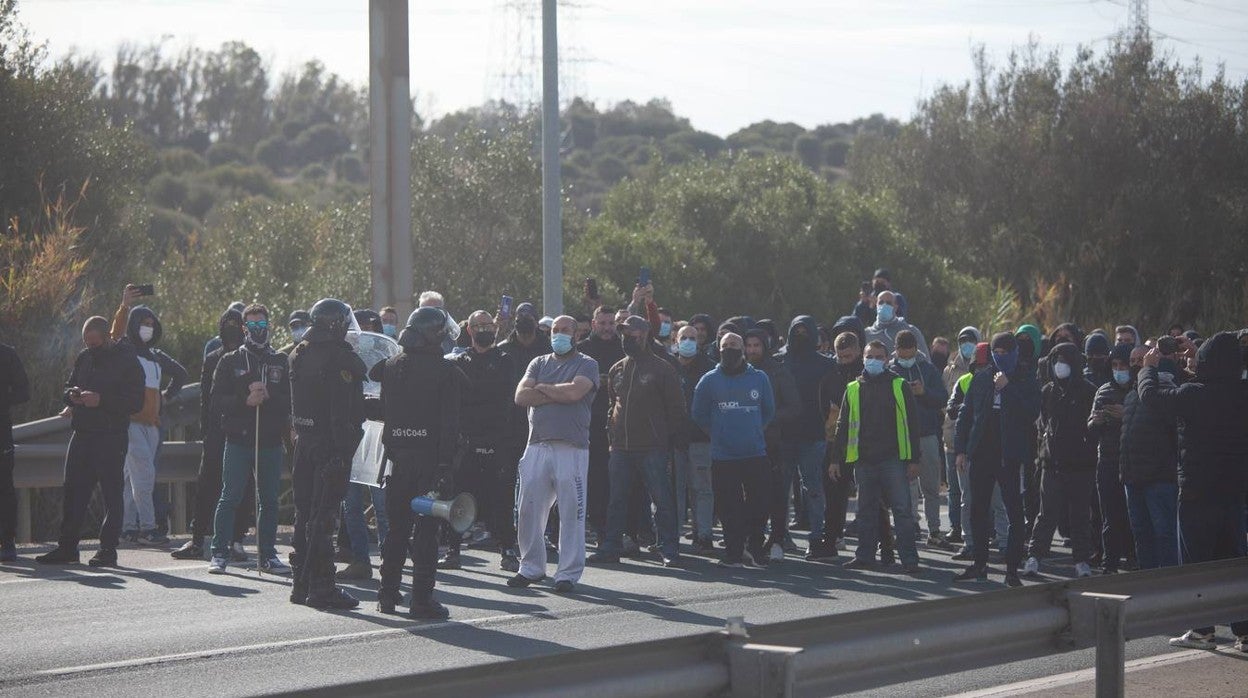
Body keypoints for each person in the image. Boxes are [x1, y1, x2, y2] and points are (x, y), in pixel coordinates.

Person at [1137, 332, 1248, 652]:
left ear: (1208, 364)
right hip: (1233, 492)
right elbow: (1215, 380)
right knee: (1232, 563)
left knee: (1197, 563)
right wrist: (1198, 356)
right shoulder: (1241, 393)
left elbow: (1152, 398)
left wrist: (1148, 367)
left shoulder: (1193, 395)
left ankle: (1202, 630)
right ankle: (1244, 631)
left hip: (1197, 492)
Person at [372, 307, 464, 619]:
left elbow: (383, 406)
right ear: (433, 334)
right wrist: (445, 466)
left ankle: (387, 593)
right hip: (430, 463)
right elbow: (450, 424)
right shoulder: (445, 371)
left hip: (398, 461)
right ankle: (421, 599)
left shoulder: (392, 365)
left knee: (397, 529)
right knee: (426, 530)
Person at [37, 317, 144, 566]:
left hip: (111, 436)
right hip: (83, 434)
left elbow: (136, 402)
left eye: (95, 342)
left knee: (111, 494)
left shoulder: (127, 360)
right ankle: (67, 548)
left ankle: (107, 550)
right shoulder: (84, 357)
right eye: (87, 342)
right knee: (73, 491)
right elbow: (68, 385)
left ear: (107, 337)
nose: (90, 346)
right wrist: (71, 396)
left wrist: (102, 400)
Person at [509, 315, 599, 593]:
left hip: (570, 447)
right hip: (537, 445)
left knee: (572, 511)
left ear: (575, 334)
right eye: (555, 331)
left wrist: (544, 390)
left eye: (565, 331)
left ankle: (567, 574)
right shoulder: (538, 363)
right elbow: (521, 397)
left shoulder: (587, 363)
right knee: (528, 508)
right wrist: (555, 393)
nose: (559, 335)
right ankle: (531, 567)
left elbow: (575, 392)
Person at [588, 316, 687, 567]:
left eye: (631, 333)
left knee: (662, 499)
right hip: (621, 447)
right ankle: (611, 546)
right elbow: (613, 403)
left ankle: (669, 548)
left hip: (652, 447)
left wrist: (666, 439)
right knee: (616, 499)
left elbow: (676, 409)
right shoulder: (617, 369)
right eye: (623, 333)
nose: (625, 338)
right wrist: (612, 429)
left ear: (643, 335)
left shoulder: (662, 368)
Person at [289, 299, 367, 610]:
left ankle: (301, 583)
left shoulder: (299, 352)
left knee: (304, 514)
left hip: (304, 444)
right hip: (329, 448)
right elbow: (340, 410)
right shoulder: (339, 358)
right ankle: (322, 587)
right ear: (335, 324)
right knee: (324, 518)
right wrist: (342, 450)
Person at [206, 304, 291, 576]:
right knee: (230, 495)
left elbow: (290, 400)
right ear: (244, 329)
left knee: (269, 500)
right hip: (238, 440)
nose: (258, 331)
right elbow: (216, 401)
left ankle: (267, 554)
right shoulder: (230, 360)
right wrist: (245, 400)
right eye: (252, 327)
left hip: (270, 440)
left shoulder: (279, 360)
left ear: (269, 326)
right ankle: (220, 552)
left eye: (262, 326)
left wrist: (269, 397)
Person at [953, 332, 1041, 587]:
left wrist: (1008, 388)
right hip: (982, 452)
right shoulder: (981, 378)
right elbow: (966, 415)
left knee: (1014, 512)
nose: (1000, 357)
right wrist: (961, 449)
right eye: (996, 352)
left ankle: (1012, 568)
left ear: (1014, 353)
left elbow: (1031, 412)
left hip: (1010, 454)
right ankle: (980, 564)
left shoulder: (1025, 379)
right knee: (977, 510)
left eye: (1005, 352)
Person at [829, 340, 923, 574]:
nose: (874, 360)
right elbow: (842, 425)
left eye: (879, 356)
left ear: (887, 359)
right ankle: (865, 556)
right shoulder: (853, 388)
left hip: (893, 459)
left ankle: (909, 560)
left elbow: (912, 423)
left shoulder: (899, 385)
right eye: (870, 356)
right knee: (865, 511)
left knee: (902, 510)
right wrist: (835, 458)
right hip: (864, 460)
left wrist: (914, 459)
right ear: (863, 357)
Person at [110, 287, 188, 546]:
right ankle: (148, 527)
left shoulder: (155, 356)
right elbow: (115, 335)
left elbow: (181, 373)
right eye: (143, 324)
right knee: (143, 475)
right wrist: (125, 306)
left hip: (152, 425)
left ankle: (127, 527)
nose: (148, 328)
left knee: (132, 478)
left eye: (151, 324)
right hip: (130, 423)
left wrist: (166, 395)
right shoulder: (125, 350)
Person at [172, 309, 252, 561]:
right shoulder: (213, 358)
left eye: (235, 325)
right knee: (206, 487)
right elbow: (207, 401)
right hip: (217, 434)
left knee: (243, 487)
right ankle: (197, 541)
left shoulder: (250, 358)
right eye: (227, 324)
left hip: (242, 432)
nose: (231, 329)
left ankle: (237, 541)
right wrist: (206, 431)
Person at [691, 332, 775, 568]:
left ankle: (755, 548)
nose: (730, 349)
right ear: (718, 349)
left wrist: (756, 429)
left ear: (743, 350)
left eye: (734, 345)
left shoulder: (759, 378)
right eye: (725, 345)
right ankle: (734, 552)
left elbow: (769, 410)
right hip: (723, 455)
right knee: (729, 507)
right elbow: (698, 414)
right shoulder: (709, 380)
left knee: (760, 503)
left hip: (755, 452)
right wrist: (717, 433)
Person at [442, 311, 514, 570]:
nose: (484, 329)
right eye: (478, 326)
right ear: (469, 331)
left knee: (501, 498)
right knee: (460, 497)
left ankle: (508, 549)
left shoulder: (506, 361)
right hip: (466, 443)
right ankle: (453, 550)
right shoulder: (459, 362)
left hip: (498, 441)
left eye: (488, 325)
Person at [1021, 342, 1098, 579]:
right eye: (1055, 361)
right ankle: (1035, 557)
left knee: (1079, 515)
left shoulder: (1088, 391)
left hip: (1080, 466)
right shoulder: (1048, 392)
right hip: (1051, 464)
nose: (1059, 366)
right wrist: (1041, 457)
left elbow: (1093, 428)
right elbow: (1042, 425)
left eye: (1063, 361)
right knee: (1046, 515)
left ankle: (1081, 560)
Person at [496, 302, 551, 572]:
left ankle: (541, 539)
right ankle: (508, 544)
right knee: (505, 488)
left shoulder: (548, 350)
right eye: (520, 316)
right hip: (508, 429)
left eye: (529, 316)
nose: (524, 320)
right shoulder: (504, 351)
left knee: (540, 488)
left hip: (542, 427)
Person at [775, 315, 836, 558]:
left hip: (813, 435)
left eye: (804, 331)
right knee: (781, 490)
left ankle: (816, 537)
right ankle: (780, 536)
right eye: (796, 331)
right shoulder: (779, 362)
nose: (800, 336)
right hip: (784, 435)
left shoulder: (826, 365)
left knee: (813, 488)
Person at [744, 329, 802, 562]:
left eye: (756, 345)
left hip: (774, 443)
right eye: (748, 345)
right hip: (746, 445)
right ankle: (752, 541)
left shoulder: (778, 372)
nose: (751, 350)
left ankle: (777, 539)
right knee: (751, 496)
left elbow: (795, 407)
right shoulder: (741, 371)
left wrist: (767, 419)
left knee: (777, 495)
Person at [890, 330, 950, 546]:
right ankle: (910, 527)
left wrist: (924, 393)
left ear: (916, 350)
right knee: (906, 487)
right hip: (899, 439)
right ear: (896, 351)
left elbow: (942, 398)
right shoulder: (890, 371)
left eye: (910, 355)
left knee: (931, 487)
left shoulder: (928, 370)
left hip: (927, 435)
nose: (906, 359)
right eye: (902, 355)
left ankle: (934, 530)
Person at [1087, 343, 1136, 574]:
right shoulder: (1103, 390)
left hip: (1135, 460)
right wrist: (1095, 422)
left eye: (1123, 366)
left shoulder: (1140, 389)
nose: (1119, 370)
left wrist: (1127, 414)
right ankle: (1110, 563)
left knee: (1133, 516)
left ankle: (1135, 558)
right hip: (1107, 460)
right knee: (1110, 516)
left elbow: (1151, 423)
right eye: (1115, 366)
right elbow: (1090, 428)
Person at [576, 305, 624, 543]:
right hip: (589, 421)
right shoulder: (582, 350)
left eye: (610, 324)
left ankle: (619, 529)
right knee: (592, 476)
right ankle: (596, 525)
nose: (607, 328)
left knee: (616, 478)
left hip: (620, 423)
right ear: (593, 324)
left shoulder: (624, 348)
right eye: (602, 323)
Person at [672, 324, 716, 551]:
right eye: (684, 337)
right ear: (676, 340)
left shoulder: (710, 369)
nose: (688, 341)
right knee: (674, 490)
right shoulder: (668, 367)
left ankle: (704, 534)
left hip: (701, 440)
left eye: (693, 338)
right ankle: (673, 537)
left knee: (702, 489)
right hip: (674, 440)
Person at [942, 326, 982, 545]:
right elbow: (947, 404)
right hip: (952, 437)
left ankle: (983, 530)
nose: (966, 344)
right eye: (962, 340)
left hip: (978, 440)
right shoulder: (950, 370)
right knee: (955, 490)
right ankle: (956, 527)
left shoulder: (985, 367)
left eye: (970, 340)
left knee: (978, 491)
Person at [0, 342, 30, 562]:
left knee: (4, 487)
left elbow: (23, 391)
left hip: (1, 432)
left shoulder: (7, 354)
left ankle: (7, 541)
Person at [863, 291, 926, 356]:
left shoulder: (911, 331)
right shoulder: (867, 334)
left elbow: (925, 360)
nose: (884, 305)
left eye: (888, 303)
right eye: (881, 302)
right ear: (876, 306)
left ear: (896, 307)